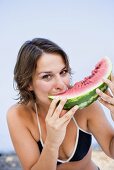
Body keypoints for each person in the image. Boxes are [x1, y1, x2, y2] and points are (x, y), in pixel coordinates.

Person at [7, 38, 114, 170]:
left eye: (63, 72)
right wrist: (52, 143)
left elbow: (111, 149)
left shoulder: (86, 106)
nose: (61, 85)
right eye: (47, 76)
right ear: (28, 83)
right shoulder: (18, 116)